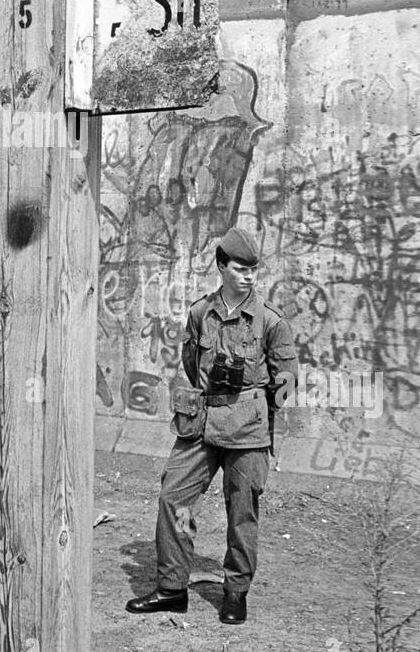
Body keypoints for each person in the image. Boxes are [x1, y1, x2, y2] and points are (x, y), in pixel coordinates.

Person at [126, 227, 297, 624]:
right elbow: (191, 363)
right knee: (175, 499)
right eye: (240, 268)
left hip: (248, 433)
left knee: (242, 513)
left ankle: (235, 591)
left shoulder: (270, 323)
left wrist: (260, 404)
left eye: (253, 269)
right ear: (221, 266)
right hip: (201, 426)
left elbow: (286, 378)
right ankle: (172, 588)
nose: (248, 276)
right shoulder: (200, 313)